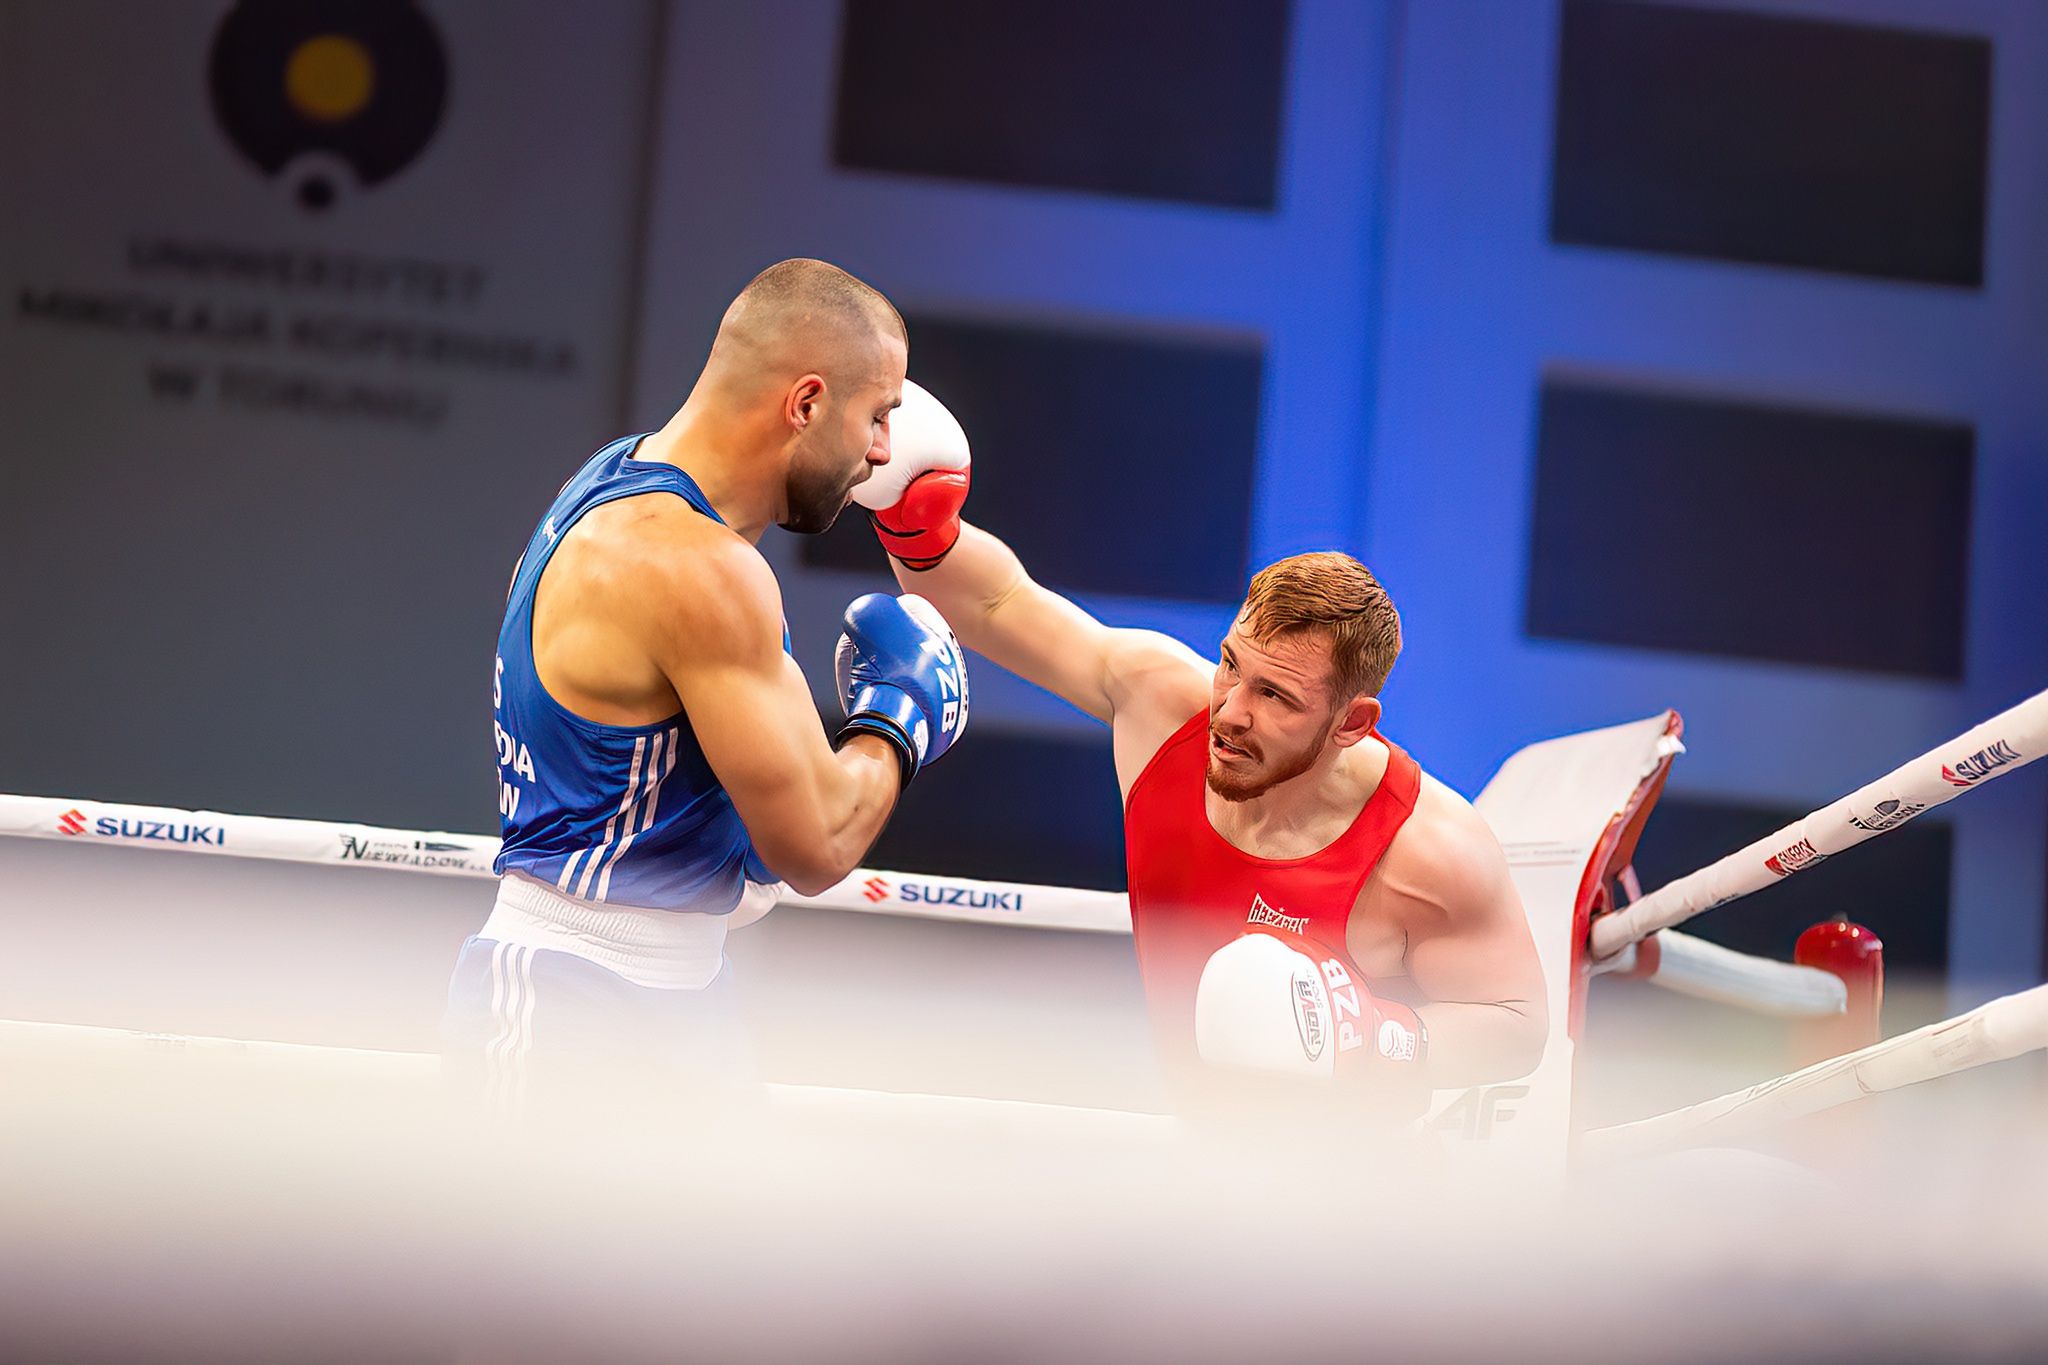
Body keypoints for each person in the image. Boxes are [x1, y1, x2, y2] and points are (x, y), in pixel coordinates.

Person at [852, 382, 1547, 1116]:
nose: (1231, 712)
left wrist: (1376, 1037)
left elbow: (1518, 1023)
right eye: (1231, 666)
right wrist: (918, 524)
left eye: (1275, 696)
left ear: (1353, 723)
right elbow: (1001, 604)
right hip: (1190, 1153)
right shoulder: (1160, 703)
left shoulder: (1428, 850)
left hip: (1354, 1180)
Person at [444, 259, 969, 1100]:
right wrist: (897, 715)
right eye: (877, 415)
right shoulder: (692, 565)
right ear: (806, 403)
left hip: (684, 992)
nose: (881, 452)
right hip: (572, 996)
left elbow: (676, 791)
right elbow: (819, 845)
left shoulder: (617, 479)